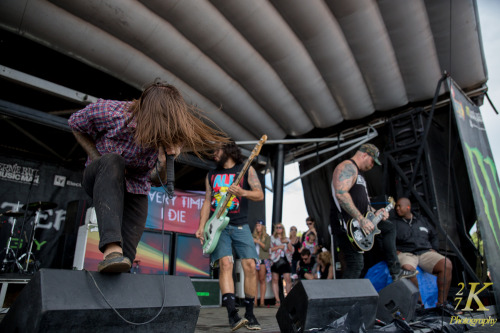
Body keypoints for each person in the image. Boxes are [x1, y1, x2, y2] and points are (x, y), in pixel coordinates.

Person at [68, 80, 227, 273]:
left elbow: (154, 179)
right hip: (101, 177)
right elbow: (75, 124)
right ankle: (111, 248)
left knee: (124, 260)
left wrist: (163, 161)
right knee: (113, 161)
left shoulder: (166, 133)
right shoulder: (110, 112)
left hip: (136, 188)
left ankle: (116, 266)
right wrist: (96, 158)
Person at [195, 140, 264, 331]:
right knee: (226, 263)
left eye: (216, 150)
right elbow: (207, 201)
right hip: (218, 226)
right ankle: (232, 314)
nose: (213, 154)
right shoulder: (211, 175)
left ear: (228, 150)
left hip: (240, 225)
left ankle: (249, 314)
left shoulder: (245, 170)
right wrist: (201, 226)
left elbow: (259, 195)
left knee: (250, 265)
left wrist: (242, 192)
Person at [330, 143, 416, 280]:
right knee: (355, 264)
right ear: (364, 154)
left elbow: (363, 202)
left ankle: (395, 270)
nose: (372, 166)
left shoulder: (361, 175)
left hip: (361, 220)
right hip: (348, 224)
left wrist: (375, 212)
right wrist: (361, 219)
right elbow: (341, 193)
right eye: (372, 161)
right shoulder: (347, 167)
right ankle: (343, 300)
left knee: (388, 227)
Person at [394, 197, 455, 311]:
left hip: (424, 252)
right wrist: (394, 251)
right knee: (408, 269)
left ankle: (442, 304)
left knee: (446, 264)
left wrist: (434, 248)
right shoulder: (394, 222)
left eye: (399, 206)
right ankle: (418, 304)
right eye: (396, 206)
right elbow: (383, 239)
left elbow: (434, 235)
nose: (396, 208)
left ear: (408, 207)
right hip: (407, 253)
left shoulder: (421, 220)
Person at [270, 223, 293, 307]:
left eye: (280, 227)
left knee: (288, 279)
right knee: (275, 279)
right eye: (277, 227)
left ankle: (288, 299)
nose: (278, 229)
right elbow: (269, 249)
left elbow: (291, 251)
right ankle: (278, 300)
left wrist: (288, 242)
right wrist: (279, 247)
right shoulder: (272, 238)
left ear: (283, 229)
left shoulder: (286, 239)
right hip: (275, 260)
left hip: (285, 260)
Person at [252, 219, 271, 307]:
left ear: (262, 227)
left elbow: (266, 248)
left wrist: (258, 242)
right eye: (256, 225)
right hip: (255, 259)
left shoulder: (267, 237)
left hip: (263, 259)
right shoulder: (253, 235)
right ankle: (255, 301)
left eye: (259, 225)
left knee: (262, 279)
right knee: (254, 281)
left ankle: (262, 301)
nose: (257, 227)